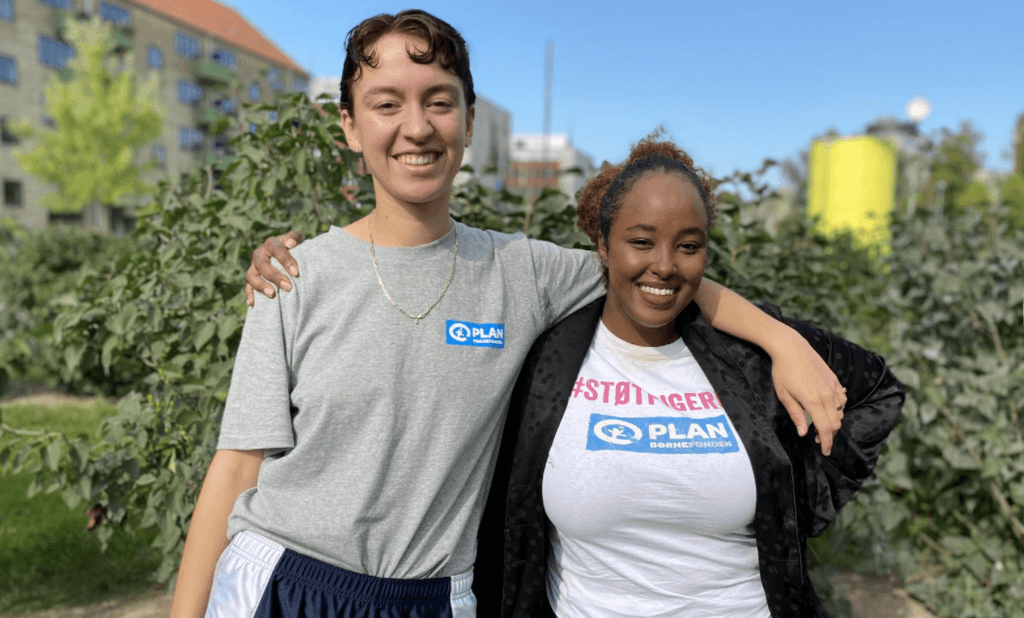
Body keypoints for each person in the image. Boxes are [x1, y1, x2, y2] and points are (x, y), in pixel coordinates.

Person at [174, 9, 848, 618]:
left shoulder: (522, 272)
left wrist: (782, 341)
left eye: (439, 102)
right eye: (386, 104)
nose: (417, 126)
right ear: (350, 125)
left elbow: (653, 272)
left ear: (469, 120)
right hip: (284, 582)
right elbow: (235, 470)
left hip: (434, 596)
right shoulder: (294, 277)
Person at [472, 136, 905, 617]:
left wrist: (794, 502)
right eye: (640, 241)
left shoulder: (748, 356)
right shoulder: (546, 361)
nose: (664, 264)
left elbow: (875, 390)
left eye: (688, 246)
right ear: (602, 244)